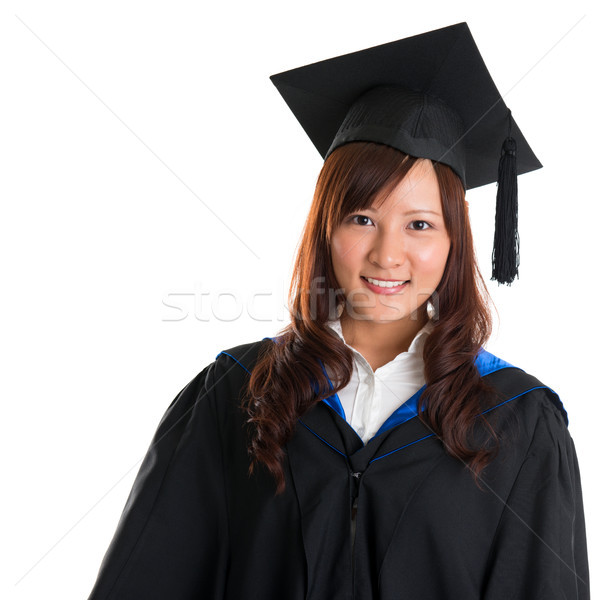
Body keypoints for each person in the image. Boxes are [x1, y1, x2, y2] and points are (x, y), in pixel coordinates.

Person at [87, 22, 589, 599]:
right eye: (362, 218)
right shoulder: (234, 394)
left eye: (420, 224)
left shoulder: (519, 421)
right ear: (327, 227)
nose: (387, 254)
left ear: (456, 241)